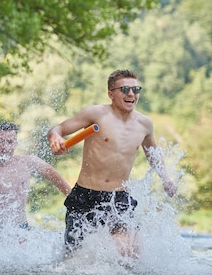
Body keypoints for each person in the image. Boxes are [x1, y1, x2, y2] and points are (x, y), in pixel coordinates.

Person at [47, 69, 177, 257]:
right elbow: (58, 128)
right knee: (72, 259)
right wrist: (55, 137)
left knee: (130, 254)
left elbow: (153, 154)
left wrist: (166, 178)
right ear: (111, 94)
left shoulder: (144, 124)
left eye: (135, 89)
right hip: (85, 196)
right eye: (124, 89)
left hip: (118, 198)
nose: (131, 94)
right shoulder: (96, 114)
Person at [0, 121, 71, 244]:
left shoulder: (28, 162)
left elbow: (55, 178)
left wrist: (73, 199)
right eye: (1, 141)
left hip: (19, 228)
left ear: (15, 144)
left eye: (10, 142)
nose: (5, 146)